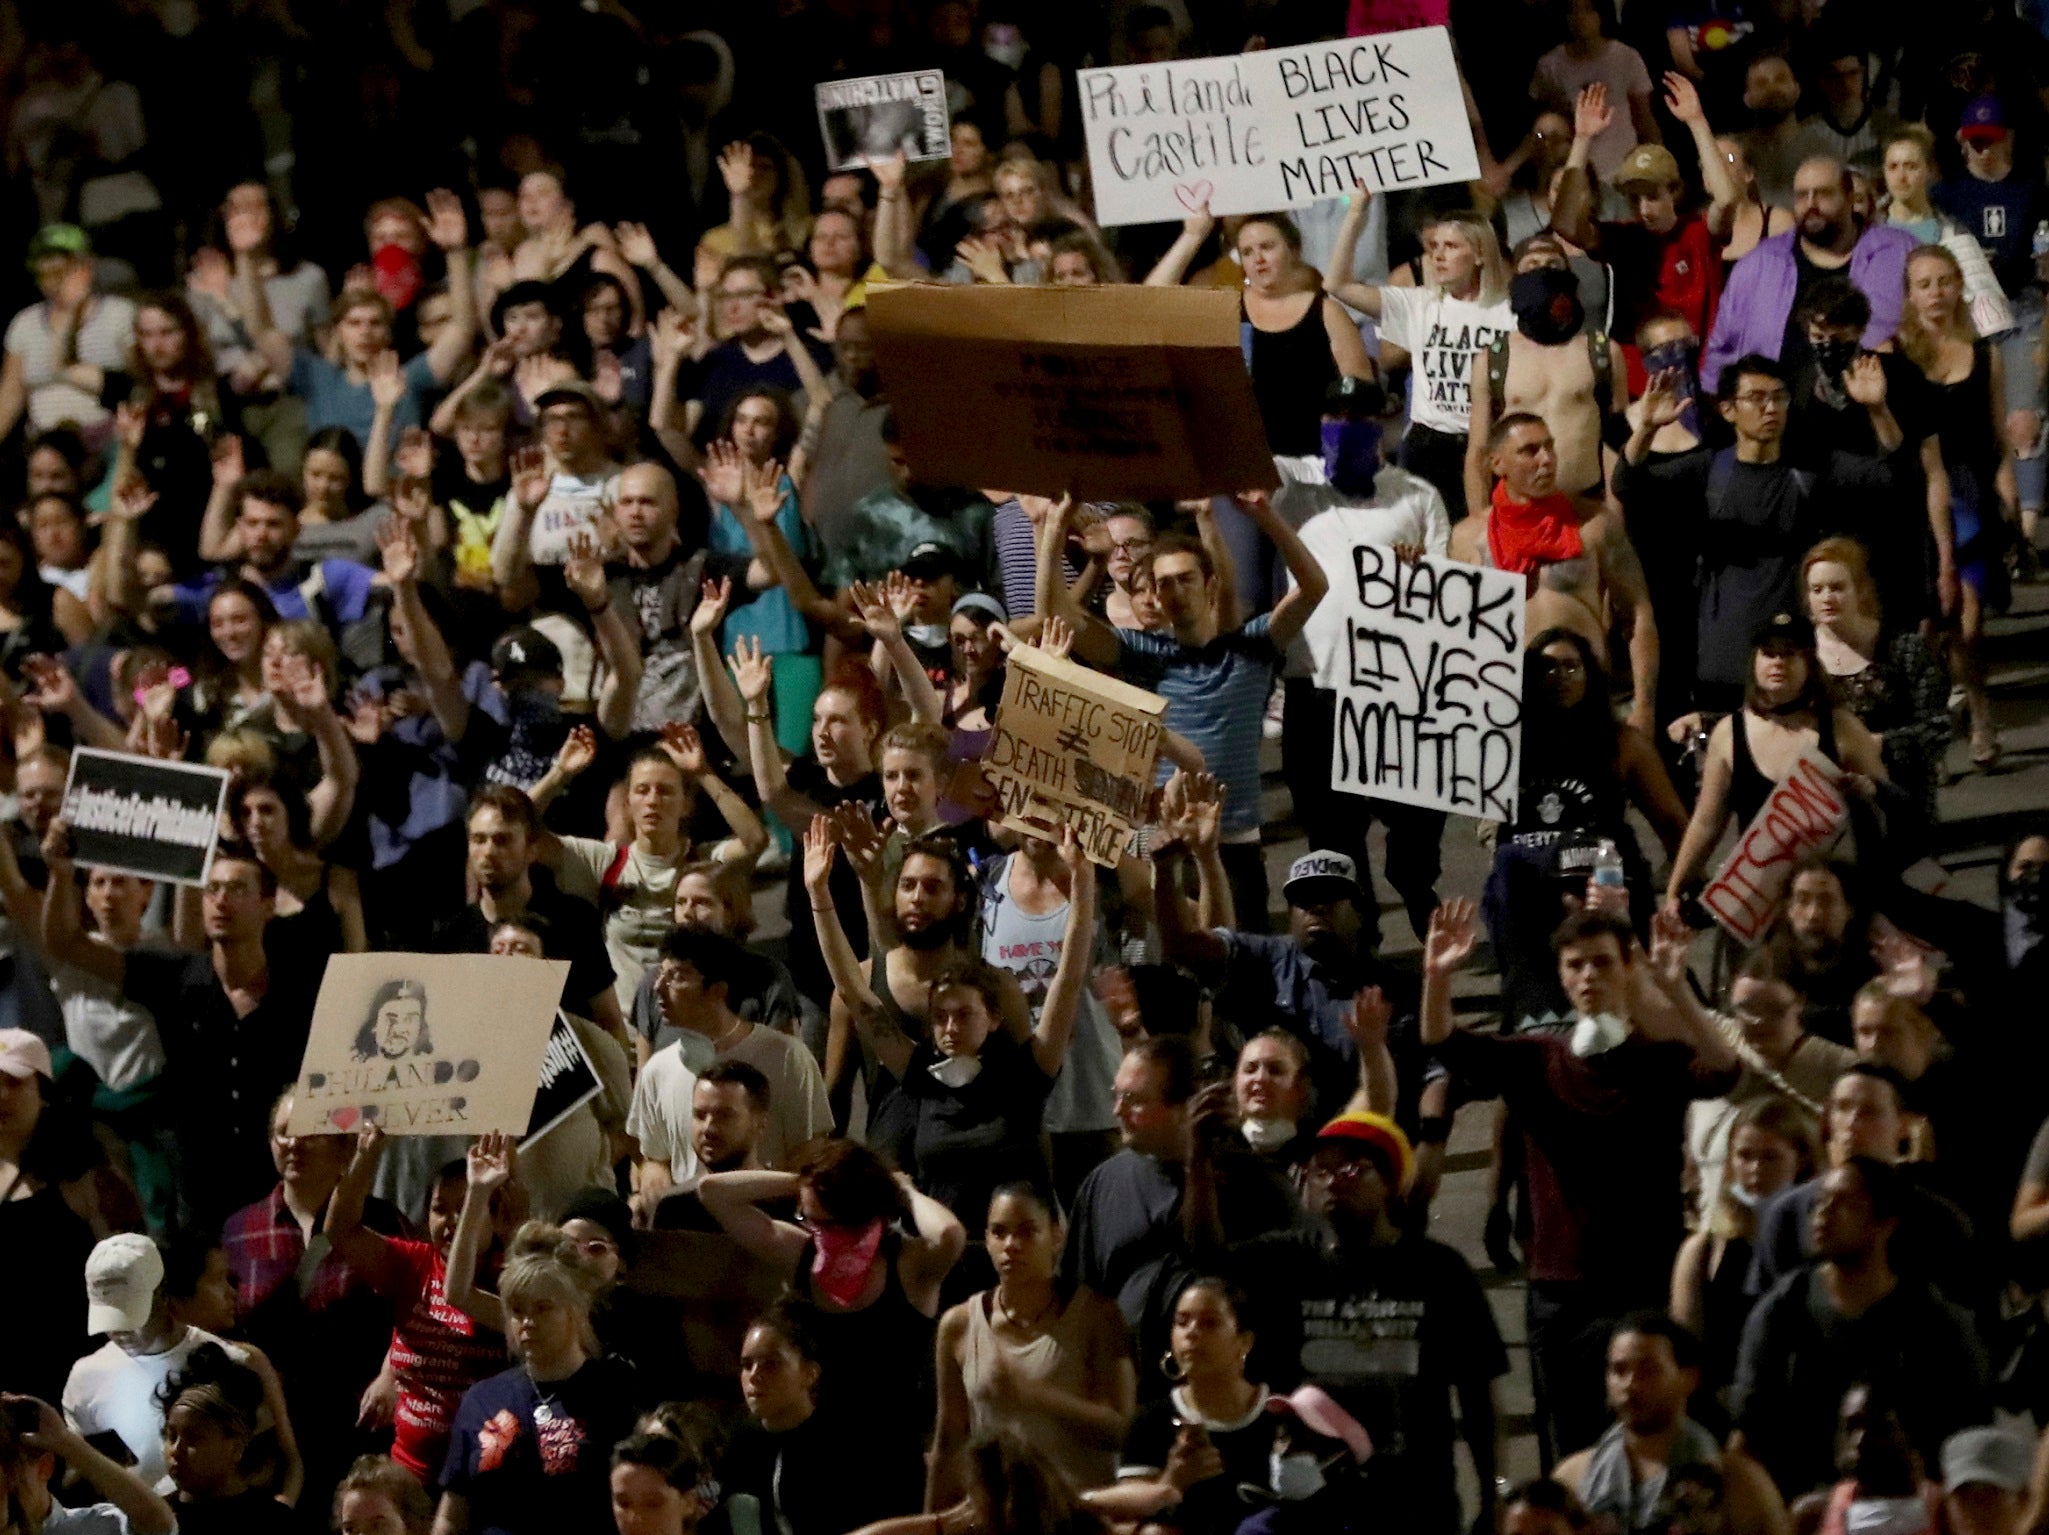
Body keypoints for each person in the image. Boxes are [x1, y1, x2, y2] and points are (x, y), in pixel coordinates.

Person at [1422, 900, 1739, 1464]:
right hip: (1561, 1294)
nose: (1588, 975)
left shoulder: (1657, 1061)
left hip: (1645, 1286)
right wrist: (1439, 973)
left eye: (1601, 963)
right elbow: (1444, 1041)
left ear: (1625, 969)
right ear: (1561, 976)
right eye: (1575, 965)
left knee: (1658, 1441)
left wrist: (1677, 990)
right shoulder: (1535, 1061)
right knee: (1570, 1451)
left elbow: (1724, 1070)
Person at [1199, 1110, 1507, 1533]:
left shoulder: (1438, 1270)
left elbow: (1478, 1395)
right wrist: (1195, 1159)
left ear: (1390, 1183)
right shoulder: (1287, 1261)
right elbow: (1204, 1257)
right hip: (1314, 1504)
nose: (1333, 1178)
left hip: (1416, 1505)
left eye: (1353, 1166)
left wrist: (1493, 1494)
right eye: (1322, 1167)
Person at [1040, 489, 1327, 929]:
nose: (1174, 591)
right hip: (1164, 844)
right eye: (1164, 583)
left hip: (1235, 844)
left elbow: (1313, 587)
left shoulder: (1252, 646)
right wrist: (1056, 530)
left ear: (1210, 584)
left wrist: (1265, 515)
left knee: (1237, 972)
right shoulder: (1140, 652)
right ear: (1152, 594)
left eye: (1185, 579)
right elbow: (1055, 616)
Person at [1278, 376, 1454, 943]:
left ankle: (1418, 887)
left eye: (1359, 416)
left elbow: (1449, 597)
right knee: (1333, 836)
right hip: (1316, 689)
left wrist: (1419, 575)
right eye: (1335, 414)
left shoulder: (1416, 495)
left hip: (1393, 688)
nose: (1346, 426)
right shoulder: (1292, 483)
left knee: (1413, 823)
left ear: (1383, 423)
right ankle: (1361, 950)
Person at [1618, 361, 1900, 710]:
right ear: (1728, 409)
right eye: (1757, 398)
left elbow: (1893, 476)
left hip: (1797, 656)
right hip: (1725, 660)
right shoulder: (1709, 469)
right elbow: (1629, 485)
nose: (1771, 408)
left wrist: (1878, 409)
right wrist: (1645, 429)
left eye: (1779, 398)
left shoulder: (1811, 467)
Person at [1731, 1157, 1989, 1500]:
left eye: (1845, 1204)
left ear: (1887, 1223)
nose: (1823, 1214)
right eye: (1821, 1201)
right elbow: (1748, 1436)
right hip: (1797, 1504)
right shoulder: (1782, 1311)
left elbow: (1966, 1437)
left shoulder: (1933, 1320)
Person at [697, 1140, 963, 1447]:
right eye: (808, 1218)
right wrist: (805, 1181)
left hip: (894, 1443)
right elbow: (713, 1192)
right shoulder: (804, 1255)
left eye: (825, 1222)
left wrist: (904, 1193)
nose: (815, 1230)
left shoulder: (908, 1266)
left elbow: (949, 1235)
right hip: (812, 1441)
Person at [1485, 628, 1689, 1025]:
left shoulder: (1623, 744)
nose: (1559, 676)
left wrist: (1678, 896)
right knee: (1538, 1014)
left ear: (1589, 675)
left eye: (1570, 666)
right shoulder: (1499, 742)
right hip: (1528, 900)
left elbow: (1673, 824)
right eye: (1546, 667)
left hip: (1607, 891)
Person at [1451, 412, 1659, 735]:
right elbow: (1453, 628)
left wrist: (1644, 707)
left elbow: (1637, 612)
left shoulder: (1594, 525)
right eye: (1530, 451)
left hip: (1584, 699)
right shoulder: (1468, 538)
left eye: (1550, 447)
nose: (1546, 459)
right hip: (1504, 703)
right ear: (1497, 464)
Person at [929, 1183, 1134, 1506]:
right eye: (999, 1233)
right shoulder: (959, 1325)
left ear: (1056, 1235)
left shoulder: (1097, 1317)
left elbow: (1121, 1430)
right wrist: (935, 1521)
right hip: (998, 1514)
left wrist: (1035, 1395)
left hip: (1077, 1511)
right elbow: (950, 1440)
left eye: (1026, 1232)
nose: (1011, 1245)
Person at [1664, 615, 1892, 906]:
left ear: (1810, 662)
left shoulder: (1841, 728)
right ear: (1754, 662)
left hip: (1829, 899)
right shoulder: (1729, 734)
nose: (1777, 663)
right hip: (1759, 901)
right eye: (1769, 654)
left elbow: (1890, 807)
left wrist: (1868, 792)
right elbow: (1706, 823)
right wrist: (1675, 890)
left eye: (1789, 654)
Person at [322, 1124, 505, 1483]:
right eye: (440, 1209)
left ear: (495, 1217)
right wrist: (368, 1152)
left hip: (481, 1479)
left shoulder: (509, 1279)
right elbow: (340, 1231)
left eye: (465, 1208)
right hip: (408, 1474)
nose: (451, 1222)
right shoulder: (414, 1263)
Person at [435, 1222, 645, 1535]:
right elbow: (453, 1514)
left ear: (575, 1310)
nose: (527, 1322)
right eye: (517, 1310)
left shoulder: (616, 1392)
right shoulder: (482, 1398)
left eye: (543, 1308)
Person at [1896, 241, 2019, 768]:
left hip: (1969, 493)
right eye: (1924, 284)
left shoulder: (1986, 355)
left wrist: (2008, 485)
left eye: (1944, 282)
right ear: (1909, 295)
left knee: (1968, 621)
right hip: (1914, 495)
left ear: (1959, 288)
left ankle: (1980, 710)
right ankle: (1936, 719)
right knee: (1933, 625)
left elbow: (1997, 433)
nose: (1936, 293)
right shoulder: (1895, 354)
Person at [61, 1232, 300, 1501]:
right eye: (110, 1318)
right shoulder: (85, 1377)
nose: (120, 1330)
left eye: (131, 1315)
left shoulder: (228, 1361)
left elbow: (272, 1465)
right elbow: (77, 1479)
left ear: (162, 1295)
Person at [1327, 196, 1514, 511]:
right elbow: (1336, 284)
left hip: (1488, 443)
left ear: (1480, 253)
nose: (1438, 255)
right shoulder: (1419, 304)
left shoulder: (1509, 313)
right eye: (1435, 246)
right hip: (1428, 445)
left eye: (1451, 247)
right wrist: (1356, 212)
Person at [1083, 1276, 1302, 1535]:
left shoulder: (1280, 1415)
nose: (1191, 1332)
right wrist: (1173, 1481)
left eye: (1209, 1323)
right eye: (1181, 1322)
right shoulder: (1152, 1420)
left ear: (1244, 1341)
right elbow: (1126, 1524)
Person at [1552, 75, 1739, 369]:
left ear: (1674, 191)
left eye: (1651, 195)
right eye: (1634, 198)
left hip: (1696, 372)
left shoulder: (1699, 231)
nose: (1643, 208)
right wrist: (1582, 139)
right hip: (1637, 379)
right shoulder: (1625, 238)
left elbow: (1727, 199)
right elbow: (1564, 224)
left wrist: (1696, 121)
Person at [1550, 1313, 1791, 1535]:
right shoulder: (1573, 1478)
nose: (1630, 1384)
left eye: (1648, 1370)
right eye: (1619, 1370)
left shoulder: (1738, 1482)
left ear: (1689, 1378)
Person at [1703, 157, 1918, 391]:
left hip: (1872, 410)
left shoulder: (1899, 253)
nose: (1811, 204)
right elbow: (1719, 355)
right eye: (1802, 195)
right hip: (1776, 415)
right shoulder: (1758, 265)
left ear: (1850, 199)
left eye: (1823, 194)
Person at [634, 926, 829, 1179]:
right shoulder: (657, 1069)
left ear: (718, 991)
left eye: (677, 977)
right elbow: (653, 1159)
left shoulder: (787, 1058)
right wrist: (653, 1179)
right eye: (661, 975)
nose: (658, 988)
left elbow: (811, 1151)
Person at [1673, 1097, 1819, 1412]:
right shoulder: (1705, 1249)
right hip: (1721, 1405)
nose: (1754, 1170)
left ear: (1801, 1160)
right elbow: (1685, 1349)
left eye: (1770, 1158)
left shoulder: (1817, 1242)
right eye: (1744, 1156)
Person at [720, 1306, 920, 1535]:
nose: (754, 1376)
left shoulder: (850, 1445)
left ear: (810, 1373)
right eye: (747, 1365)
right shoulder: (738, 1446)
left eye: (771, 1364)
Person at [1802, 538, 1952, 838]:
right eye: (1817, 590)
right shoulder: (1799, 655)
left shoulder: (1904, 649)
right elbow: (1764, 720)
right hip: (1821, 804)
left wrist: (1880, 743)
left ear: (1860, 589)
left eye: (1837, 587)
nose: (1827, 598)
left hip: (1898, 795)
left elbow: (1938, 729)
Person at [155, 1342, 300, 1533]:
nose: (175, 1449)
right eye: (171, 1436)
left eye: (194, 1438)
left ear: (236, 1446)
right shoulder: (155, 1520)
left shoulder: (271, 1521)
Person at [0, 1391, 177, 1535]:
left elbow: (160, 1527)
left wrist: (65, 1442)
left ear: (45, 1467)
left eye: (8, 1475)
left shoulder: (90, 1527)